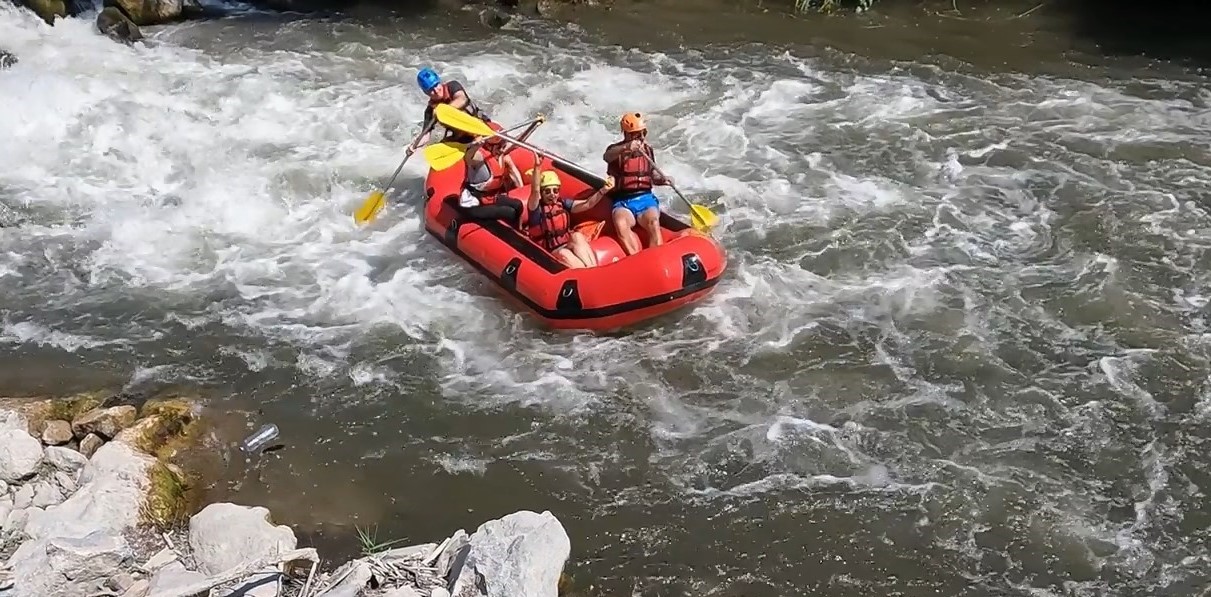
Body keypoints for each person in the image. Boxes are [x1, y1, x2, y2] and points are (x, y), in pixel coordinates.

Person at [524, 151, 614, 268]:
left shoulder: (562, 204)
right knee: (563, 253)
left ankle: (593, 269)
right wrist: (537, 166)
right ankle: (586, 274)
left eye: (555, 190)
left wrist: (603, 190)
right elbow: (535, 191)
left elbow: (587, 204)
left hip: (566, 244)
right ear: (542, 193)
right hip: (549, 252)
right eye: (547, 191)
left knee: (577, 236)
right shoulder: (536, 209)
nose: (552, 194)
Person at [601, 112, 674, 256]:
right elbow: (607, 156)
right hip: (623, 201)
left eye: (642, 133)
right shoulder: (615, 151)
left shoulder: (648, 150)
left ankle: (655, 257)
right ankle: (634, 258)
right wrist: (627, 147)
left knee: (653, 222)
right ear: (627, 135)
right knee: (621, 223)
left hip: (645, 199)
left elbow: (652, 175)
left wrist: (663, 180)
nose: (640, 137)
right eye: (636, 134)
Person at [408, 67, 490, 155]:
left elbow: (462, 99)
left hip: (481, 126)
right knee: (439, 148)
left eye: (436, 85)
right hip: (462, 138)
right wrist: (414, 145)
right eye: (431, 89)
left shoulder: (452, 86)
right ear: (426, 92)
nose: (436, 90)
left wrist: (442, 111)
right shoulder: (430, 110)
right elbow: (426, 135)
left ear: (439, 82)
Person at [458, 122, 525, 229]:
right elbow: (468, 157)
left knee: (518, 205)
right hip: (474, 205)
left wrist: (534, 125)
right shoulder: (479, 157)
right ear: (489, 146)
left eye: (503, 146)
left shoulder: (499, 154)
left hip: (490, 198)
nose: (502, 149)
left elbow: (517, 142)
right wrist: (476, 145)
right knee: (510, 212)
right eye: (499, 147)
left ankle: (519, 230)